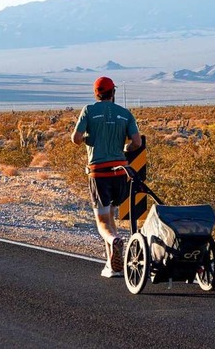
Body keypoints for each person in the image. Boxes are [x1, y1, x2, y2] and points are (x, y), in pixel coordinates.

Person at [71, 76, 141, 277]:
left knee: (102, 221)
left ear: (96, 93)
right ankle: (112, 266)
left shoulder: (89, 111)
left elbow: (75, 139)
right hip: (120, 172)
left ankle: (114, 241)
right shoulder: (125, 114)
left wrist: (88, 139)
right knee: (111, 215)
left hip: (98, 172)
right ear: (113, 93)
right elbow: (136, 142)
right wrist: (125, 149)